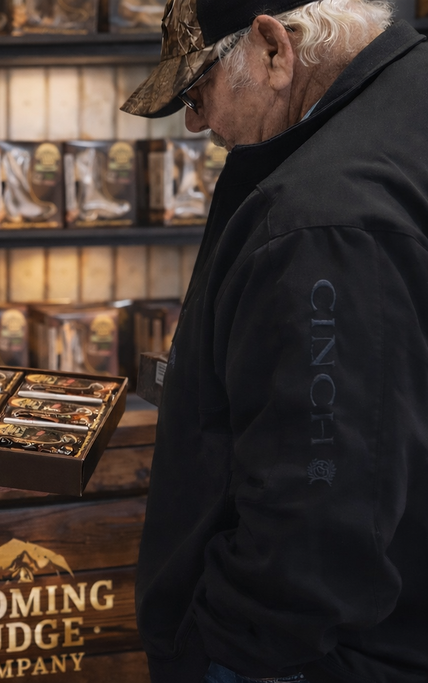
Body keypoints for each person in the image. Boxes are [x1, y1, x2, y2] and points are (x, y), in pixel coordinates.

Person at [120, 1, 428, 682]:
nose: (196, 120)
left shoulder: (324, 223)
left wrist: (224, 645)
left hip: (312, 657)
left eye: (199, 89)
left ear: (272, 49)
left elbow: (319, 518)